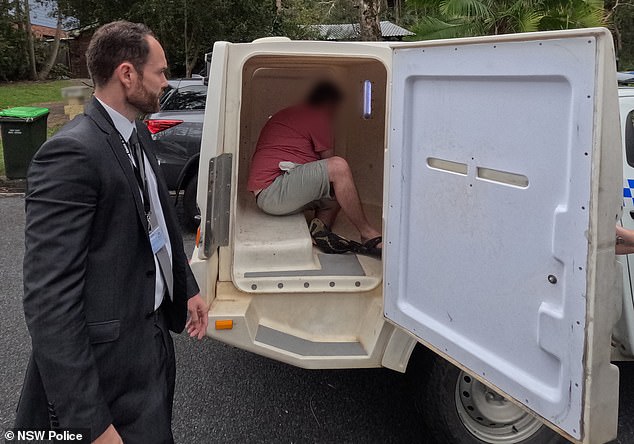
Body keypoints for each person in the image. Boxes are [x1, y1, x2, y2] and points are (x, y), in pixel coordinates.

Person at [15, 21, 208, 443]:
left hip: (152, 340)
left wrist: (186, 286)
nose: (166, 81)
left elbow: (157, 220)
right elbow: (49, 303)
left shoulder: (136, 131)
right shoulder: (71, 153)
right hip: (108, 371)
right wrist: (90, 426)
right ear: (127, 74)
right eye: (160, 71)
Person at [247, 81, 383, 256]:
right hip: (273, 191)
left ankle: (319, 232)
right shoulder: (318, 116)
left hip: (271, 193)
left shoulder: (295, 114)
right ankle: (367, 234)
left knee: (338, 195)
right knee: (339, 168)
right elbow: (330, 162)